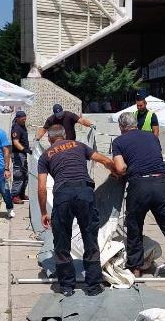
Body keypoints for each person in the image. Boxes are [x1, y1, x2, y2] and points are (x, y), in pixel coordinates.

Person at [112, 112, 165, 289]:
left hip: (139, 185)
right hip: (161, 182)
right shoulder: (152, 137)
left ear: (121, 127)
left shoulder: (118, 142)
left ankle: (135, 267)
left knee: (134, 226)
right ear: (136, 124)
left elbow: (120, 167)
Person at [37, 124, 115, 297]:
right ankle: (93, 285)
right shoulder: (78, 145)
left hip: (62, 195)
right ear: (64, 135)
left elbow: (41, 187)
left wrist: (43, 212)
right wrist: (115, 171)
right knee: (90, 237)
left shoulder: (44, 156)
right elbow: (103, 159)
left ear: (49, 139)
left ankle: (66, 286)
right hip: (84, 193)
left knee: (62, 240)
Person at [10, 111, 31, 204]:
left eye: (25, 119)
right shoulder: (16, 128)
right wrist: (24, 150)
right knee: (18, 175)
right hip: (18, 154)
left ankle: (21, 193)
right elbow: (15, 142)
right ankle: (14, 195)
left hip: (23, 154)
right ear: (18, 119)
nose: (24, 121)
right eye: (22, 119)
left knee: (25, 175)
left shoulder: (22, 126)